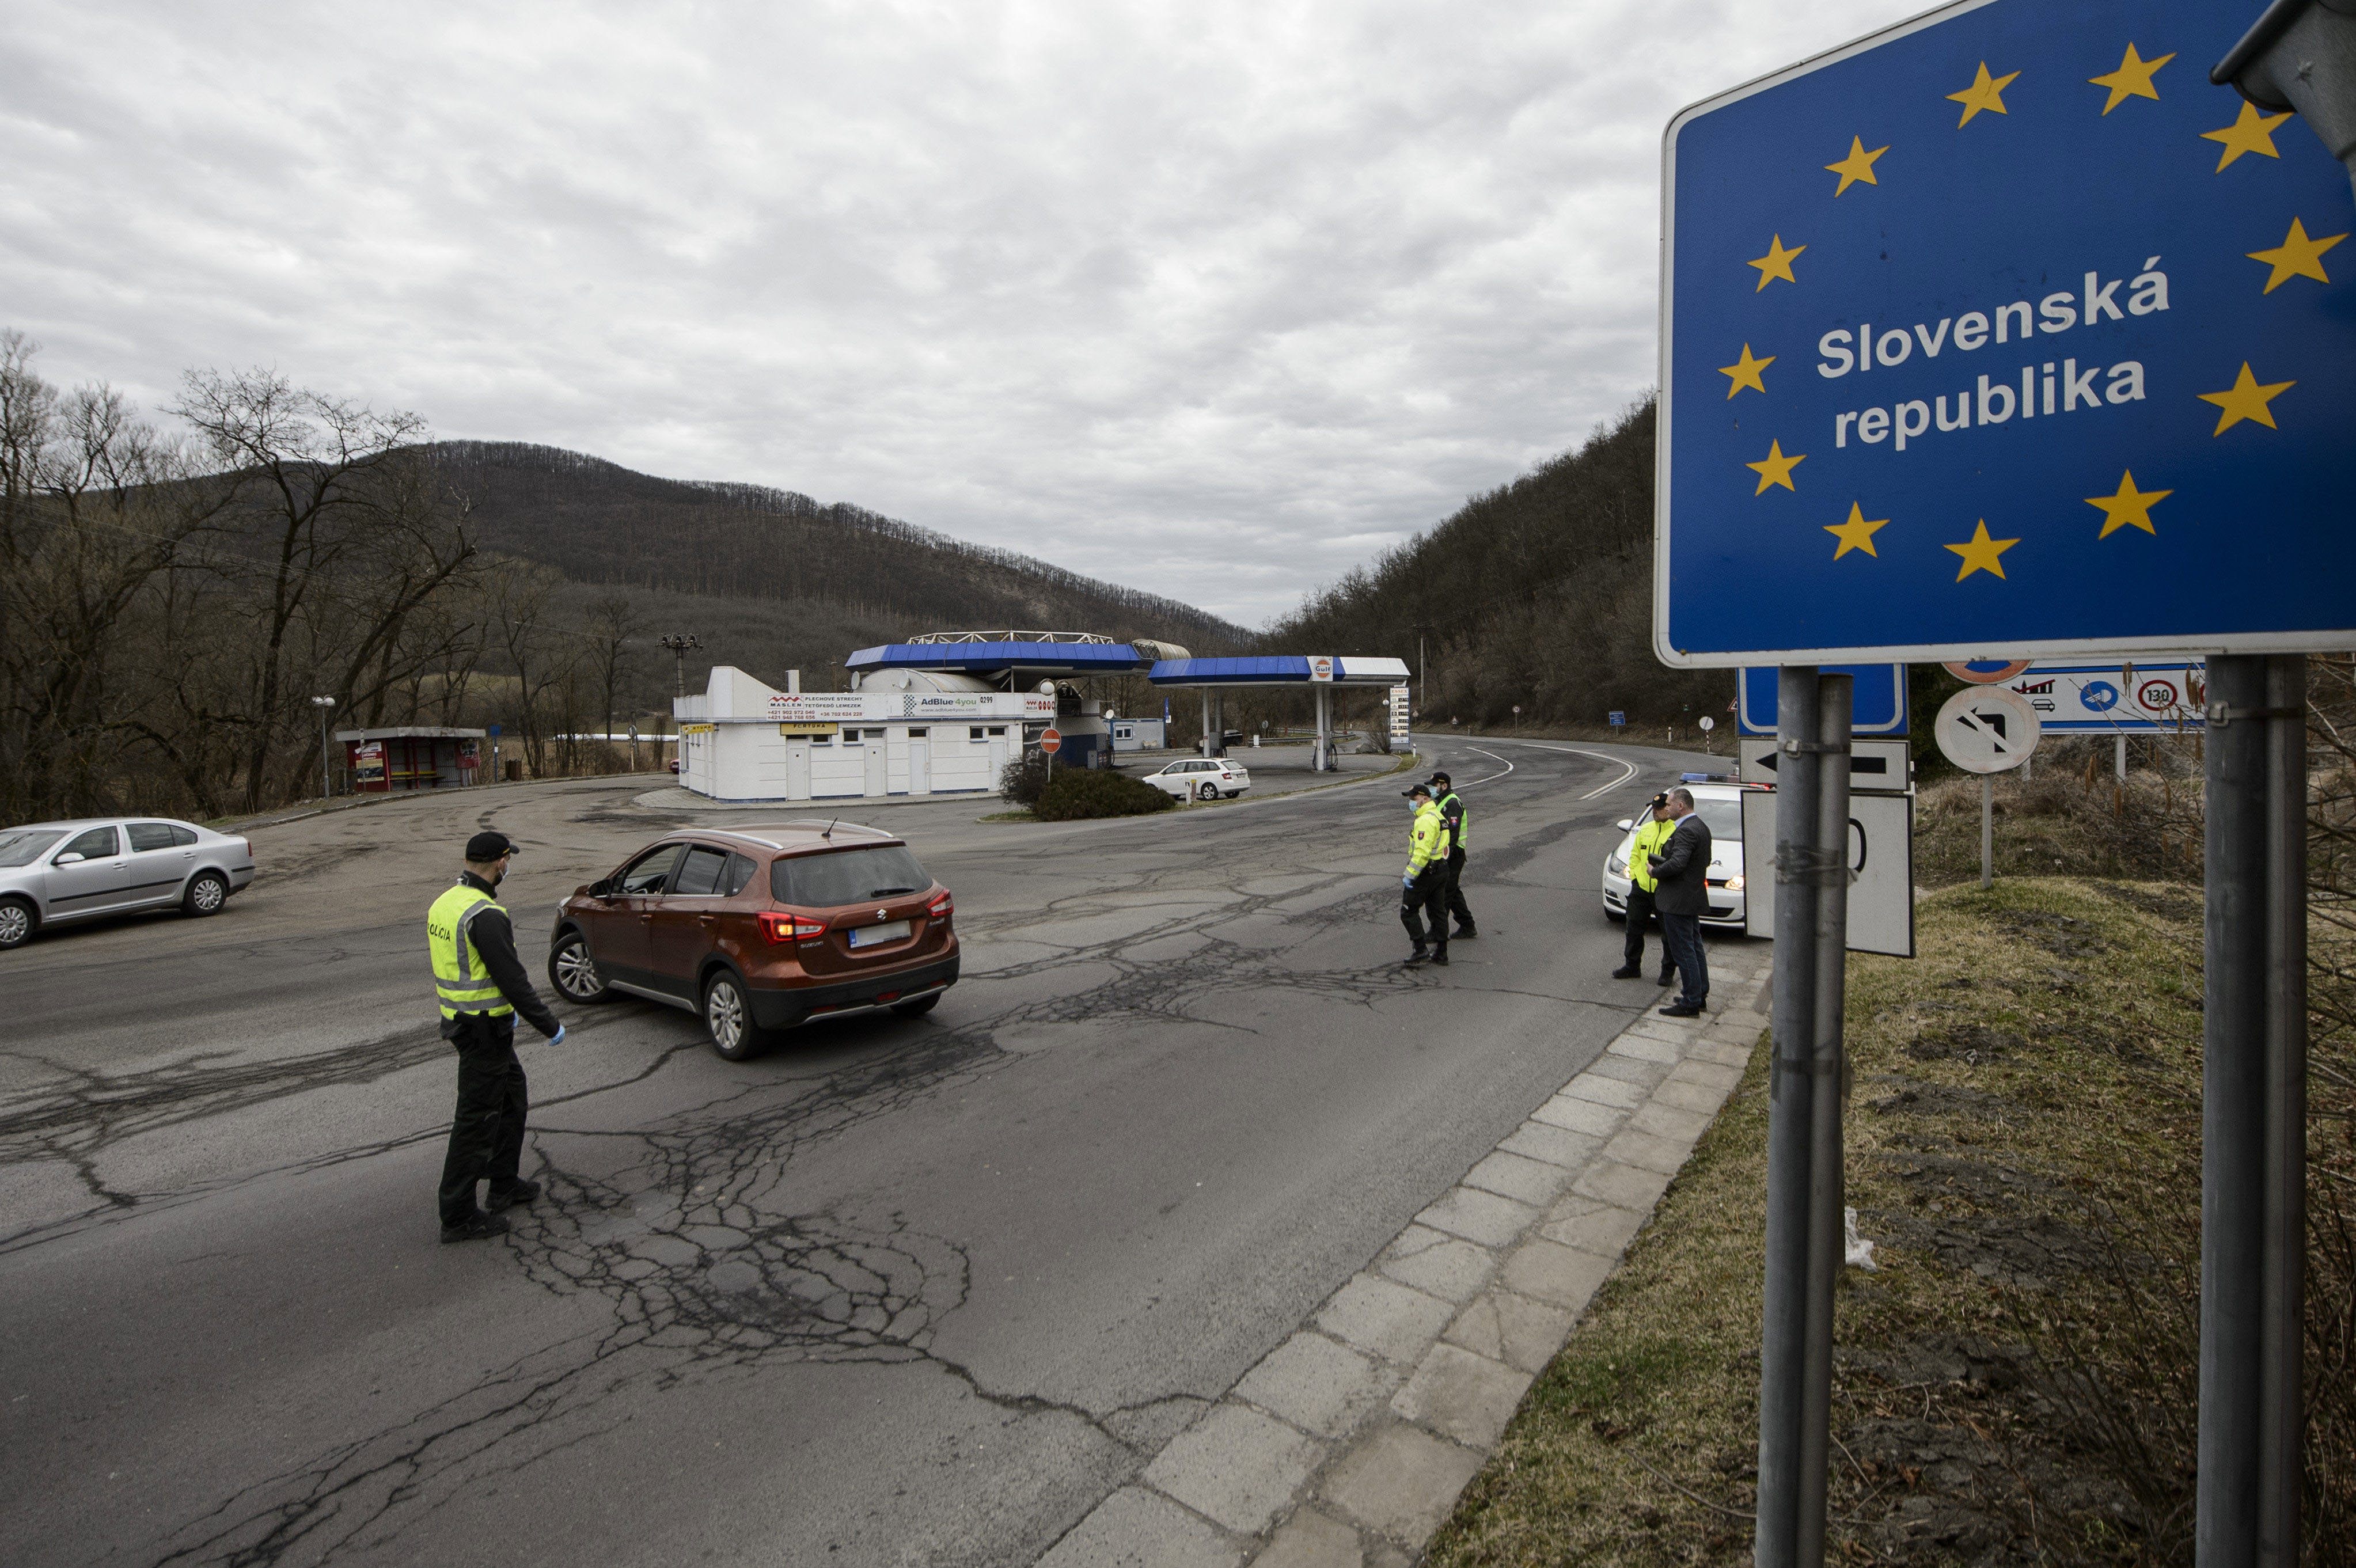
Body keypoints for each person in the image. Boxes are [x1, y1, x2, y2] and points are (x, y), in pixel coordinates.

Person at [427, 830, 566, 1243]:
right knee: (475, 1122)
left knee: (511, 1098)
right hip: (482, 1032)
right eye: (508, 859)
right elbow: (513, 980)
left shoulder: (446, 902)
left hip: (470, 1023)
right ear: (499, 862)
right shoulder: (485, 914)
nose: (509, 865)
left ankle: (503, 1182)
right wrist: (549, 1024)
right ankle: (458, 1215)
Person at [1646, 787, 1712, 1016]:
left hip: (1678, 900)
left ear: (1681, 806)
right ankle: (1699, 993)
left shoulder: (1686, 831)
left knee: (1684, 950)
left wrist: (1655, 871)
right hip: (1691, 896)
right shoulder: (1701, 827)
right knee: (1695, 947)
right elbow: (1703, 861)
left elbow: (1678, 864)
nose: (1667, 808)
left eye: (1670, 805)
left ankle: (1691, 1001)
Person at [1612, 794, 1679, 987]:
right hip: (1641, 888)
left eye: (1659, 808)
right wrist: (1635, 878)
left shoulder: (1676, 832)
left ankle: (1667, 972)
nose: (1655, 812)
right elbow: (1635, 856)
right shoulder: (1645, 830)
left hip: (1663, 891)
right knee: (1633, 929)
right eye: (1653, 808)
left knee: (1668, 935)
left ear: (1669, 808)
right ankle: (1632, 965)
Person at [1398, 781, 1451, 966]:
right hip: (1441, 868)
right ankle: (1442, 952)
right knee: (1438, 911)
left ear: (1425, 799)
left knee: (1408, 911)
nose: (1412, 802)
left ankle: (1420, 950)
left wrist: (1410, 875)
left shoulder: (1425, 820)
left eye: (1415, 798)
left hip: (1426, 871)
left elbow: (1421, 853)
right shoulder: (1438, 815)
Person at [1427, 770, 1476, 939]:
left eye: (1435, 786)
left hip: (1453, 854)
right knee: (1452, 891)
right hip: (1450, 853)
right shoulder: (1442, 801)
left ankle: (1437, 931)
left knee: (1443, 894)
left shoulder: (1452, 803)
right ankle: (1468, 925)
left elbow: (1452, 834)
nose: (1433, 789)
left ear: (1444, 785)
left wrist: (1444, 858)